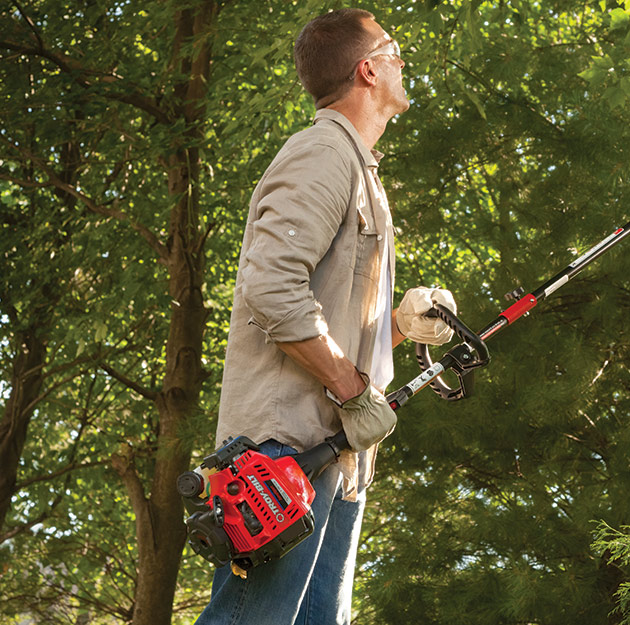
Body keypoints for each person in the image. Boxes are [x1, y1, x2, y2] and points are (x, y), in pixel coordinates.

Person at [195, 8, 456, 624]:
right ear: (367, 70)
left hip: (333, 460)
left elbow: (323, 313)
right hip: (279, 459)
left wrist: (398, 325)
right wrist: (349, 385)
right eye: (393, 52)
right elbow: (271, 287)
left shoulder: (360, 171)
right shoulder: (321, 155)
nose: (402, 62)